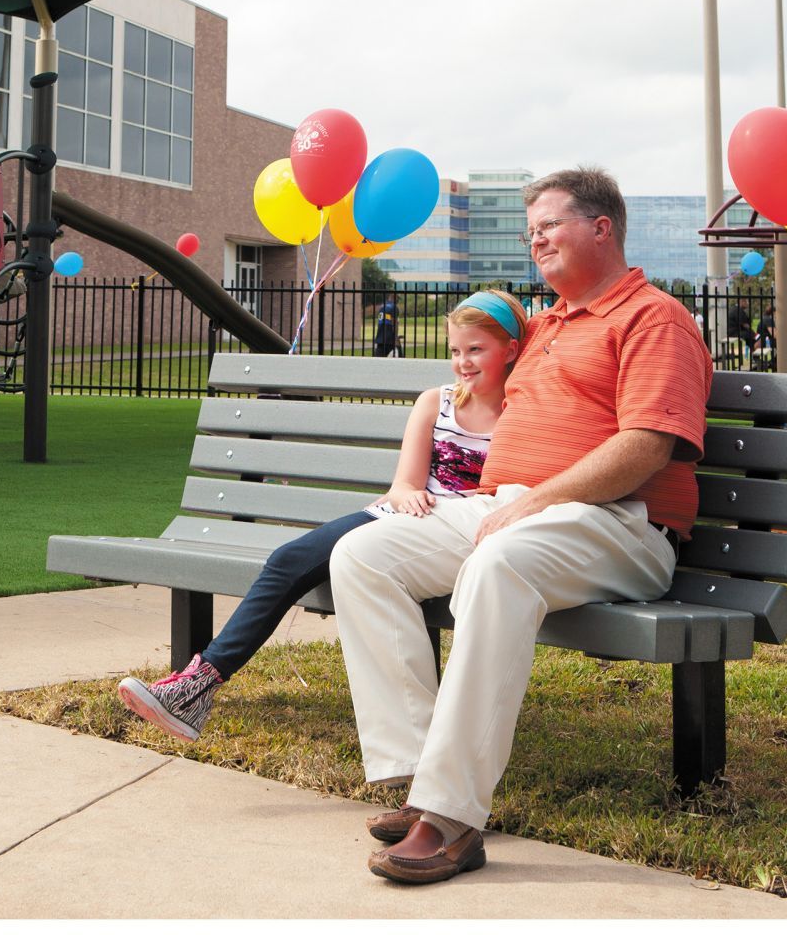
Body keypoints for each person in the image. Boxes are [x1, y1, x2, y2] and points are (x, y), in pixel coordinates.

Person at [329, 167, 712, 885]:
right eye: (528, 229)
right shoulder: (545, 324)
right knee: (362, 553)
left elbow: (645, 447)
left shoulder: (653, 318)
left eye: (550, 226)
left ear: (602, 228)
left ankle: (451, 818)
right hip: (511, 508)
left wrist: (535, 501)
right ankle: (419, 778)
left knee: (498, 563)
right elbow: (478, 347)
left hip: (618, 521)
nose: (534, 239)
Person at [116, 289, 530, 742]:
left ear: (510, 349)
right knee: (288, 559)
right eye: (455, 350)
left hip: (460, 536)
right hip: (402, 519)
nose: (463, 362)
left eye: (476, 349)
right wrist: (408, 495)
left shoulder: (528, 413)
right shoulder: (437, 402)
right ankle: (196, 687)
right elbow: (404, 484)